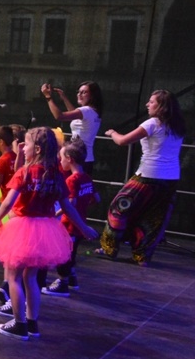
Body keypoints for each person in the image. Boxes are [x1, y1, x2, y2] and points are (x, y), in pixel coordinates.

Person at [0, 127, 98, 339]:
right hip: (45, 230)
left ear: (37, 149)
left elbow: (8, 201)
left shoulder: (25, 172)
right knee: (31, 277)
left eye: (26, 144)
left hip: (22, 228)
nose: (23, 148)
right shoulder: (56, 175)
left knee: (14, 278)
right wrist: (84, 228)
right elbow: (67, 206)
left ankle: (19, 324)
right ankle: (32, 322)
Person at [100, 90, 186, 266]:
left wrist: (113, 133)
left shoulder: (153, 123)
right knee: (153, 219)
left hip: (148, 175)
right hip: (170, 179)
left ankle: (109, 247)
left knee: (119, 207)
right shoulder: (178, 126)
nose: (147, 104)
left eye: (152, 102)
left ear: (161, 107)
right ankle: (142, 256)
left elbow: (123, 141)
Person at [39, 138, 95, 297]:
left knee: (63, 255)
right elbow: (95, 198)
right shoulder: (87, 178)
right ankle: (72, 280)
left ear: (69, 159)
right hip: (80, 223)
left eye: (62, 157)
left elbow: (68, 205)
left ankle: (62, 284)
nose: (60, 161)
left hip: (69, 226)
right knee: (71, 253)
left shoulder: (71, 180)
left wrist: (53, 215)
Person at [41, 81, 103, 173]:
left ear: (92, 96)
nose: (79, 94)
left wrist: (48, 97)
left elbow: (59, 116)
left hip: (78, 158)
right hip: (86, 158)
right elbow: (74, 114)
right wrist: (64, 98)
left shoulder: (86, 111)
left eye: (84, 92)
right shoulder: (93, 111)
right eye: (79, 92)